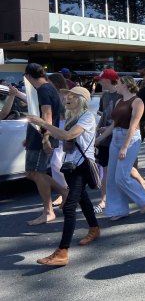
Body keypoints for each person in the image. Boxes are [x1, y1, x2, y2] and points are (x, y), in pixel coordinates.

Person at [29, 86, 99, 266]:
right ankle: (94, 228)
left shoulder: (87, 117)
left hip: (82, 165)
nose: (68, 98)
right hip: (70, 165)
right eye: (67, 95)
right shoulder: (70, 117)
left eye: (73, 96)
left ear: (82, 100)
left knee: (69, 207)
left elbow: (68, 135)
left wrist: (43, 123)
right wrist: (45, 137)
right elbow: (60, 136)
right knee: (83, 199)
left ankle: (62, 252)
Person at [93, 70, 145, 213]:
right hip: (116, 138)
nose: (115, 84)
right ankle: (118, 210)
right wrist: (99, 138)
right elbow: (114, 124)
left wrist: (124, 147)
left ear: (125, 85)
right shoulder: (118, 101)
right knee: (112, 178)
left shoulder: (137, 101)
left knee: (121, 177)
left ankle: (142, 200)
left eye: (118, 82)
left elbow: (133, 125)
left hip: (130, 139)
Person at [23, 63, 68, 226]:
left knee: (37, 173)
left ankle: (48, 212)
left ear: (28, 76)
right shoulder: (49, 88)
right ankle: (63, 191)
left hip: (42, 137)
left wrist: (45, 138)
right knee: (31, 172)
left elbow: (47, 115)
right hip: (38, 135)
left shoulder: (43, 90)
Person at [46, 73, 69, 207]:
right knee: (56, 163)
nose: (48, 84)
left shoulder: (65, 96)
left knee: (57, 163)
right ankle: (63, 192)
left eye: (50, 82)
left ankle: (65, 192)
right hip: (56, 128)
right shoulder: (53, 95)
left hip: (65, 128)